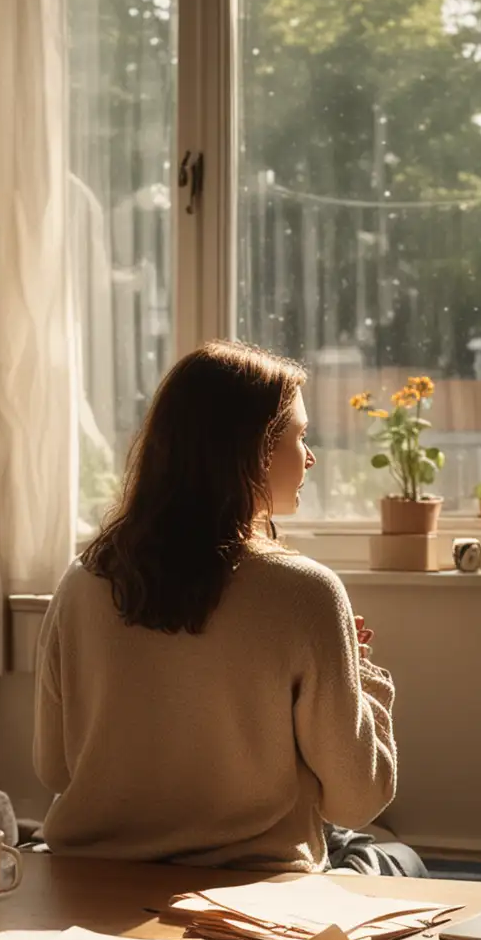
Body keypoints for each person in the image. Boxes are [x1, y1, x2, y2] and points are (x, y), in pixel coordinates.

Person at [35, 340, 422, 877]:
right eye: (301, 437)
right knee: (397, 855)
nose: (310, 456)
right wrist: (361, 676)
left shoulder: (81, 582)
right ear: (253, 451)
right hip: (252, 892)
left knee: (351, 843)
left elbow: (54, 768)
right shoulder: (306, 592)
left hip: (92, 876)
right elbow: (357, 798)